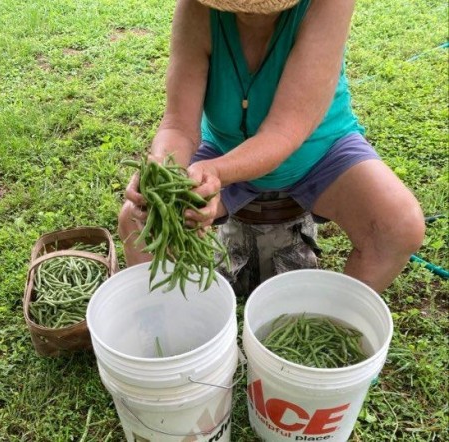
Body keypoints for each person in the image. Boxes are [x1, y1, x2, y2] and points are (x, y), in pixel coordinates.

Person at [118, 0, 425, 293]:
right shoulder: (197, 9)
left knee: (398, 226)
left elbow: (282, 133)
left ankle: (334, 322)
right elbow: (178, 125)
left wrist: (214, 172)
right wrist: (163, 170)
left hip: (319, 149)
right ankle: (164, 328)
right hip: (224, 145)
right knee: (139, 218)